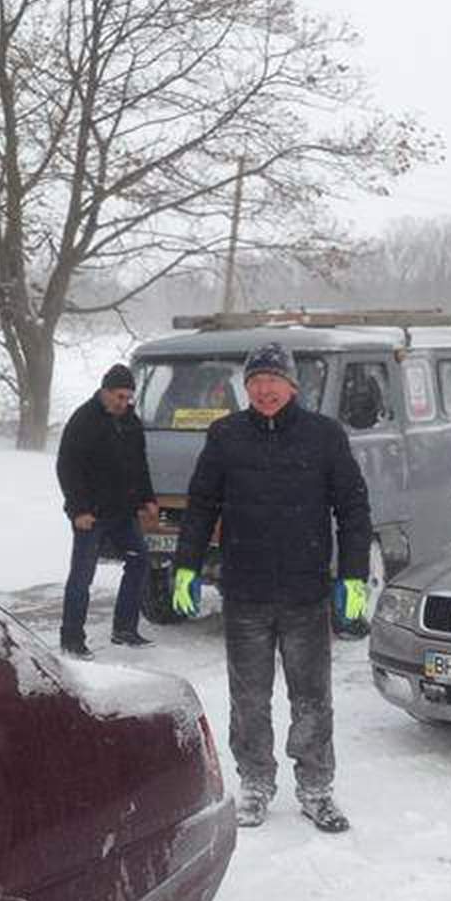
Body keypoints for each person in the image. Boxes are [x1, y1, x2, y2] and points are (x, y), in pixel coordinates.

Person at [170, 341, 371, 832]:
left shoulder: (324, 436)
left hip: (305, 593)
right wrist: (186, 566)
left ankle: (316, 787)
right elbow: (201, 505)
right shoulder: (226, 436)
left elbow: (352, 509)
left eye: (273, 380)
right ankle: (256, 783)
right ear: (246, 386)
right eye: (256, 381)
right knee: (249, 699)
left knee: (311, 698)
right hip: (246, 593)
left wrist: (353, 575)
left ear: (292, 385)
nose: (264, 389)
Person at [55, 363, 159, 658]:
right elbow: (67, 468)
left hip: (124, 511)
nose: (124, 403)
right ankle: (71, 638)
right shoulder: (84, 420)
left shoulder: (131, 422)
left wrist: (148, 498)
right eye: (119, 397)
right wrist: (79, 510)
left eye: (128, 398)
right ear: (105, 391)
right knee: (82, 576)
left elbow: (139, 465)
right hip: (91, 514)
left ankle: (124, 628)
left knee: (139, 561)